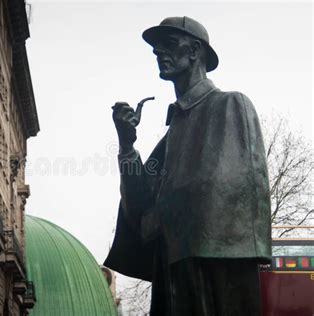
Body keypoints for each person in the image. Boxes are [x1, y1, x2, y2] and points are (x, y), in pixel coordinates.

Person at [104, 16, 271, 315]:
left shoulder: (230, 105)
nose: (159, 54)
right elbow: (138, 207)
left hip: (210, 266)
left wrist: (158, 219)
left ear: (195, 50)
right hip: (171, 266)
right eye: (156, 50)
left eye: (168, 44)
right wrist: (127, 146)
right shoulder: (171, 136)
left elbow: (230, 189)